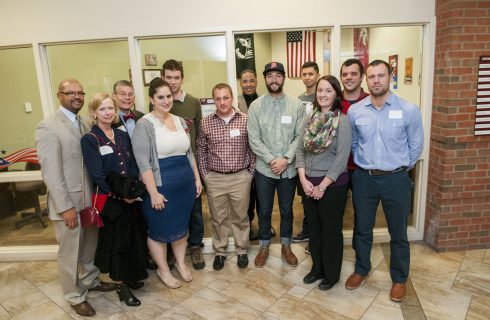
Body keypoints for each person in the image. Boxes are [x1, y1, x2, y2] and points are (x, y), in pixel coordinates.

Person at [35, 79, 116, 317]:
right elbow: (50, 172)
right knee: (70, 253)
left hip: (89, 202)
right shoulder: (48, 127)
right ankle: (74, 295)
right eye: (71, 93)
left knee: (89, 247)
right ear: (59, 95)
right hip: (68, 205)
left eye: (81, 92)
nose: (77, 96)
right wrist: (64, 207)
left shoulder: (83, 123)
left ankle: (90, 281)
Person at [346, 60, 424, 302]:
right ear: (365, 80)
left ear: (390, 76)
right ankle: (361, 269)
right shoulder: (355, 111)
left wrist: (399, 168)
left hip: (396, 179)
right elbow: (354, 143)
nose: (376, 80)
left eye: (381, 75)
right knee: (362, 230)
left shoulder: (408, 109)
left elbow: (415, 147)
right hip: (364, 179)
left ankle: (399, 279)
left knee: (398, 232)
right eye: (371, 77)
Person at [133, 78, 202, 289]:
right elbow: (143, 163)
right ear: (152, 99)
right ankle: (163, 270)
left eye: (168, 96)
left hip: (185, 186)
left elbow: (189, 153)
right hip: (160, 186)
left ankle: (181, 263)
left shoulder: (180, 121)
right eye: (160, 97)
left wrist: (197, 179)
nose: (166, 101)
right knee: (159, 231)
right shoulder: (144, 124)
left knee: (181, 227)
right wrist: (153, 193)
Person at [81, 93, 147, 306]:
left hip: (129, 196)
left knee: (132, 238)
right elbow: (97, 175)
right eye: (102, 109)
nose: (108, 113)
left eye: (110, 108)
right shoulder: (90, 139)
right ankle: (120, 284)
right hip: (110, 200)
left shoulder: (121, 135)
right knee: (116, 243)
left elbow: (133, 163)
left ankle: (129, 275)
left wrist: (134, 191)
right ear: (93, 113)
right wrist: (121, 195)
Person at [247, 61, 305, 268]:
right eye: (270, 76)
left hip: (288, 171)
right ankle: (264, 247)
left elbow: (300, 136)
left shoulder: (296, 105)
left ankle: (286, 246)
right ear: (265, 79)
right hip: (265, 170)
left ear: (284, 77)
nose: (274, 80)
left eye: (278, 75)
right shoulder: (256, 106)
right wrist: (272, 160)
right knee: (263, 210)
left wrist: (286, 159)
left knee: (287, 210)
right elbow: (253, 138)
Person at [296, 75, 351, 290]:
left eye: (328, 90)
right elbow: (300, 150)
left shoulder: (343, 121)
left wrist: (322, 186)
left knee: (330, 231)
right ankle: (317, 268)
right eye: (320, 90)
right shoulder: (308, 118)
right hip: (308, 183)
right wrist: (303, 179)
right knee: (315, 231)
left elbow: (341, 157)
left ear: (336, 93)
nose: (323, 94)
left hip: (332, 186)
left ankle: (331, 273)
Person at [197, 83, 256, 270]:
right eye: (218, 98)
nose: (222, 102)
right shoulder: (206, 122)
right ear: (214, 100)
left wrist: (250, 173)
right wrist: (205, 175)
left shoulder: (245, 120)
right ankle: (220, 252)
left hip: (241, 177)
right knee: (218, 217)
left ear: (232, 98)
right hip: (215, 178)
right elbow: (201, 150)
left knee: (240, 216)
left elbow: (253, 148)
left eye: (226, 97)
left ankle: (241, 250)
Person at [162, 59, 205, 270]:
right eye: (168, 77)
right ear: (163, 78)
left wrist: (199, 168)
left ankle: (195, 246)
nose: (172, 82)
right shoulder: (160, 103)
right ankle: (171, 250)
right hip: (168, 169)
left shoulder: (193, 103)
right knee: (172, 209)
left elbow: (199, 137)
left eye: (176, 77)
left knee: (195, 209)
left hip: (191, 166)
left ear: (182, 78)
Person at [112, 79, 158, 271]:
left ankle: (145, 256)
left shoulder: (142, 117)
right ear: (114, 96)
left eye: (130, 94)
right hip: (121, 179)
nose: (127, 97)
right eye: (122, 93)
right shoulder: (108, 118)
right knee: (125, 225)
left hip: (143, 174)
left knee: (143, 220)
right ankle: (128, 265)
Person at [237, 69, 275, 241]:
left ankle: (265, 226)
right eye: (245, 81)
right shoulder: (235, 103)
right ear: (240, 83)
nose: (248, 84)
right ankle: (248, 227)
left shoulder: (264, 102)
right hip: (242, 157)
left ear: (257, 82)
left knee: (263, 196)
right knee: (246, 197)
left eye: (252, 80)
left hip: (261, 157)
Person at [339, 58, 369, 251]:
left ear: (361, 76)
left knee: (362, 214)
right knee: (335, 213)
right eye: (344, 74)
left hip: (361, 169)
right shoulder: (333, 100)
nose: (348, 78)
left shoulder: (369, 100)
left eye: (353, 74)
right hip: (338, 169)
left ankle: (361, 253)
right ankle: (334, 251)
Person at [293, 61, 321, 248]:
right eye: (304, 74)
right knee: (306, 197)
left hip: (320, 157)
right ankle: (307, 232)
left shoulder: (322, 96)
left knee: (320, 200)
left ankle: (317, 237)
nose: (307, 77)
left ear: (317, 75)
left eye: (311, 74)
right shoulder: (299, 99)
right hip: (303, 156)